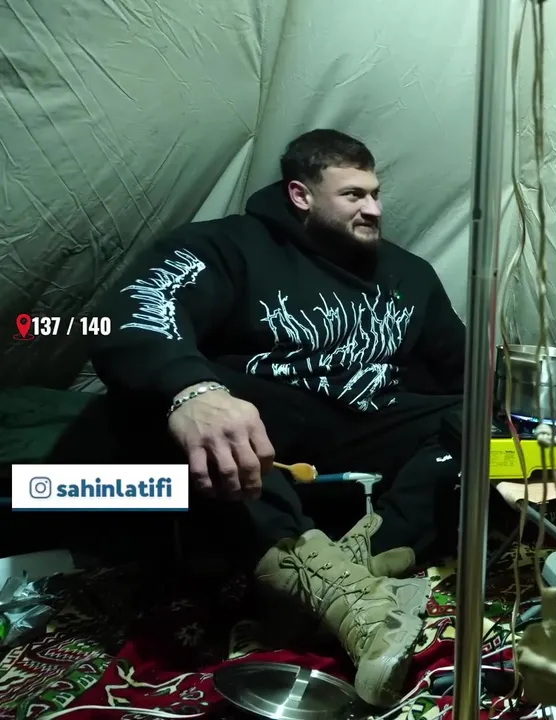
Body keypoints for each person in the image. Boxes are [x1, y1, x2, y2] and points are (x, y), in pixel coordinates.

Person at [89, 129, 467, 708]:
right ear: (300, 194)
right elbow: (134, 312)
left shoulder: (409, 275)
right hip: (262, 433)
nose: (373, 209)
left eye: (375, 193)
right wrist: (194, 391)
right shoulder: (224, 247)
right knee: (165, 404)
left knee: (479, 418)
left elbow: (464, 369)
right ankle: (336, 592)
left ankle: (367, 554)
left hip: (362, 428)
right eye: (353, 195)